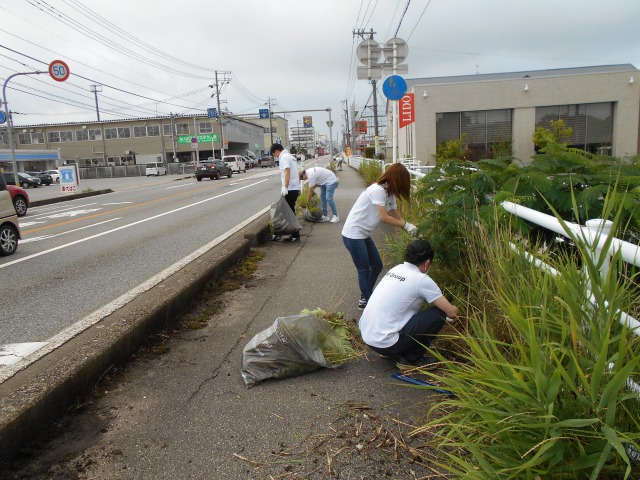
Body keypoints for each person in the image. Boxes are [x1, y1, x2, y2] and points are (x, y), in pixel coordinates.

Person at [359, 239, 459, 370]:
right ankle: (411, 358)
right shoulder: (421, 280)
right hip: (386, 344)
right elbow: (451, 312)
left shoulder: (396, 269)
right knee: (439, 313)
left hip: (368, 337)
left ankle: (394, 351)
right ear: (427, 263)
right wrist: (457, 310)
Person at [341, 163, 417, 310]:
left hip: (363, 234)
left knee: (377, 265)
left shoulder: (390, 193)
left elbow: (395, 215)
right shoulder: (377, 190)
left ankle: (365, 297)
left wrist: (411, 229)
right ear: (398, 179)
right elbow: (384, 217)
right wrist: (405, 225)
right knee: (364, 269)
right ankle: (371, 305)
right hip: (353, 234)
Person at [270, 143, 301, 243]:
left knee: (286, 212)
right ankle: (292, 235)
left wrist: (285, 188)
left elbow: (287, 172)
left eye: (274, 155)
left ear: (276, 151)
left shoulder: (283, 157)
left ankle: (291, 235)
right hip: (294, 188)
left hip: (290, 189)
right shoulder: (291, 156)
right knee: (289, 212)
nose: (275, 157)